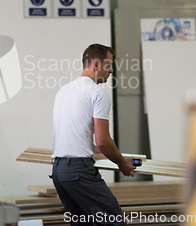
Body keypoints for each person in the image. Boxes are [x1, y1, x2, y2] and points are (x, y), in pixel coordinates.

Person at [51, 44, 135, 226]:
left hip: (59, 171)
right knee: (115, 221)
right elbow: (103, 141)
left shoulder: (63, 91)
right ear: (96, 65)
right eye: (109, 65)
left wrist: (93, 148)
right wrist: (121, 162)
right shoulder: (98, 92)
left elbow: (75, 133)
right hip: (79, 172)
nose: (111, 70)